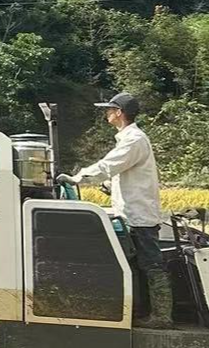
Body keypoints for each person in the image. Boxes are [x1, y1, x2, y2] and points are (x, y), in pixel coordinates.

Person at [61, 92, 168, 324]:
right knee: (138, 266)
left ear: (119, 113)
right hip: (133, 213)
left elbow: (108, 165)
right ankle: (142, 312)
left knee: (151, 266)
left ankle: (161, 316)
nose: (107, 114)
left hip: (139, 217)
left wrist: (77, 178)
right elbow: (123, 172)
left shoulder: (134, 140)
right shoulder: (130, 139)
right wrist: (110, 186)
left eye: (109, 110)